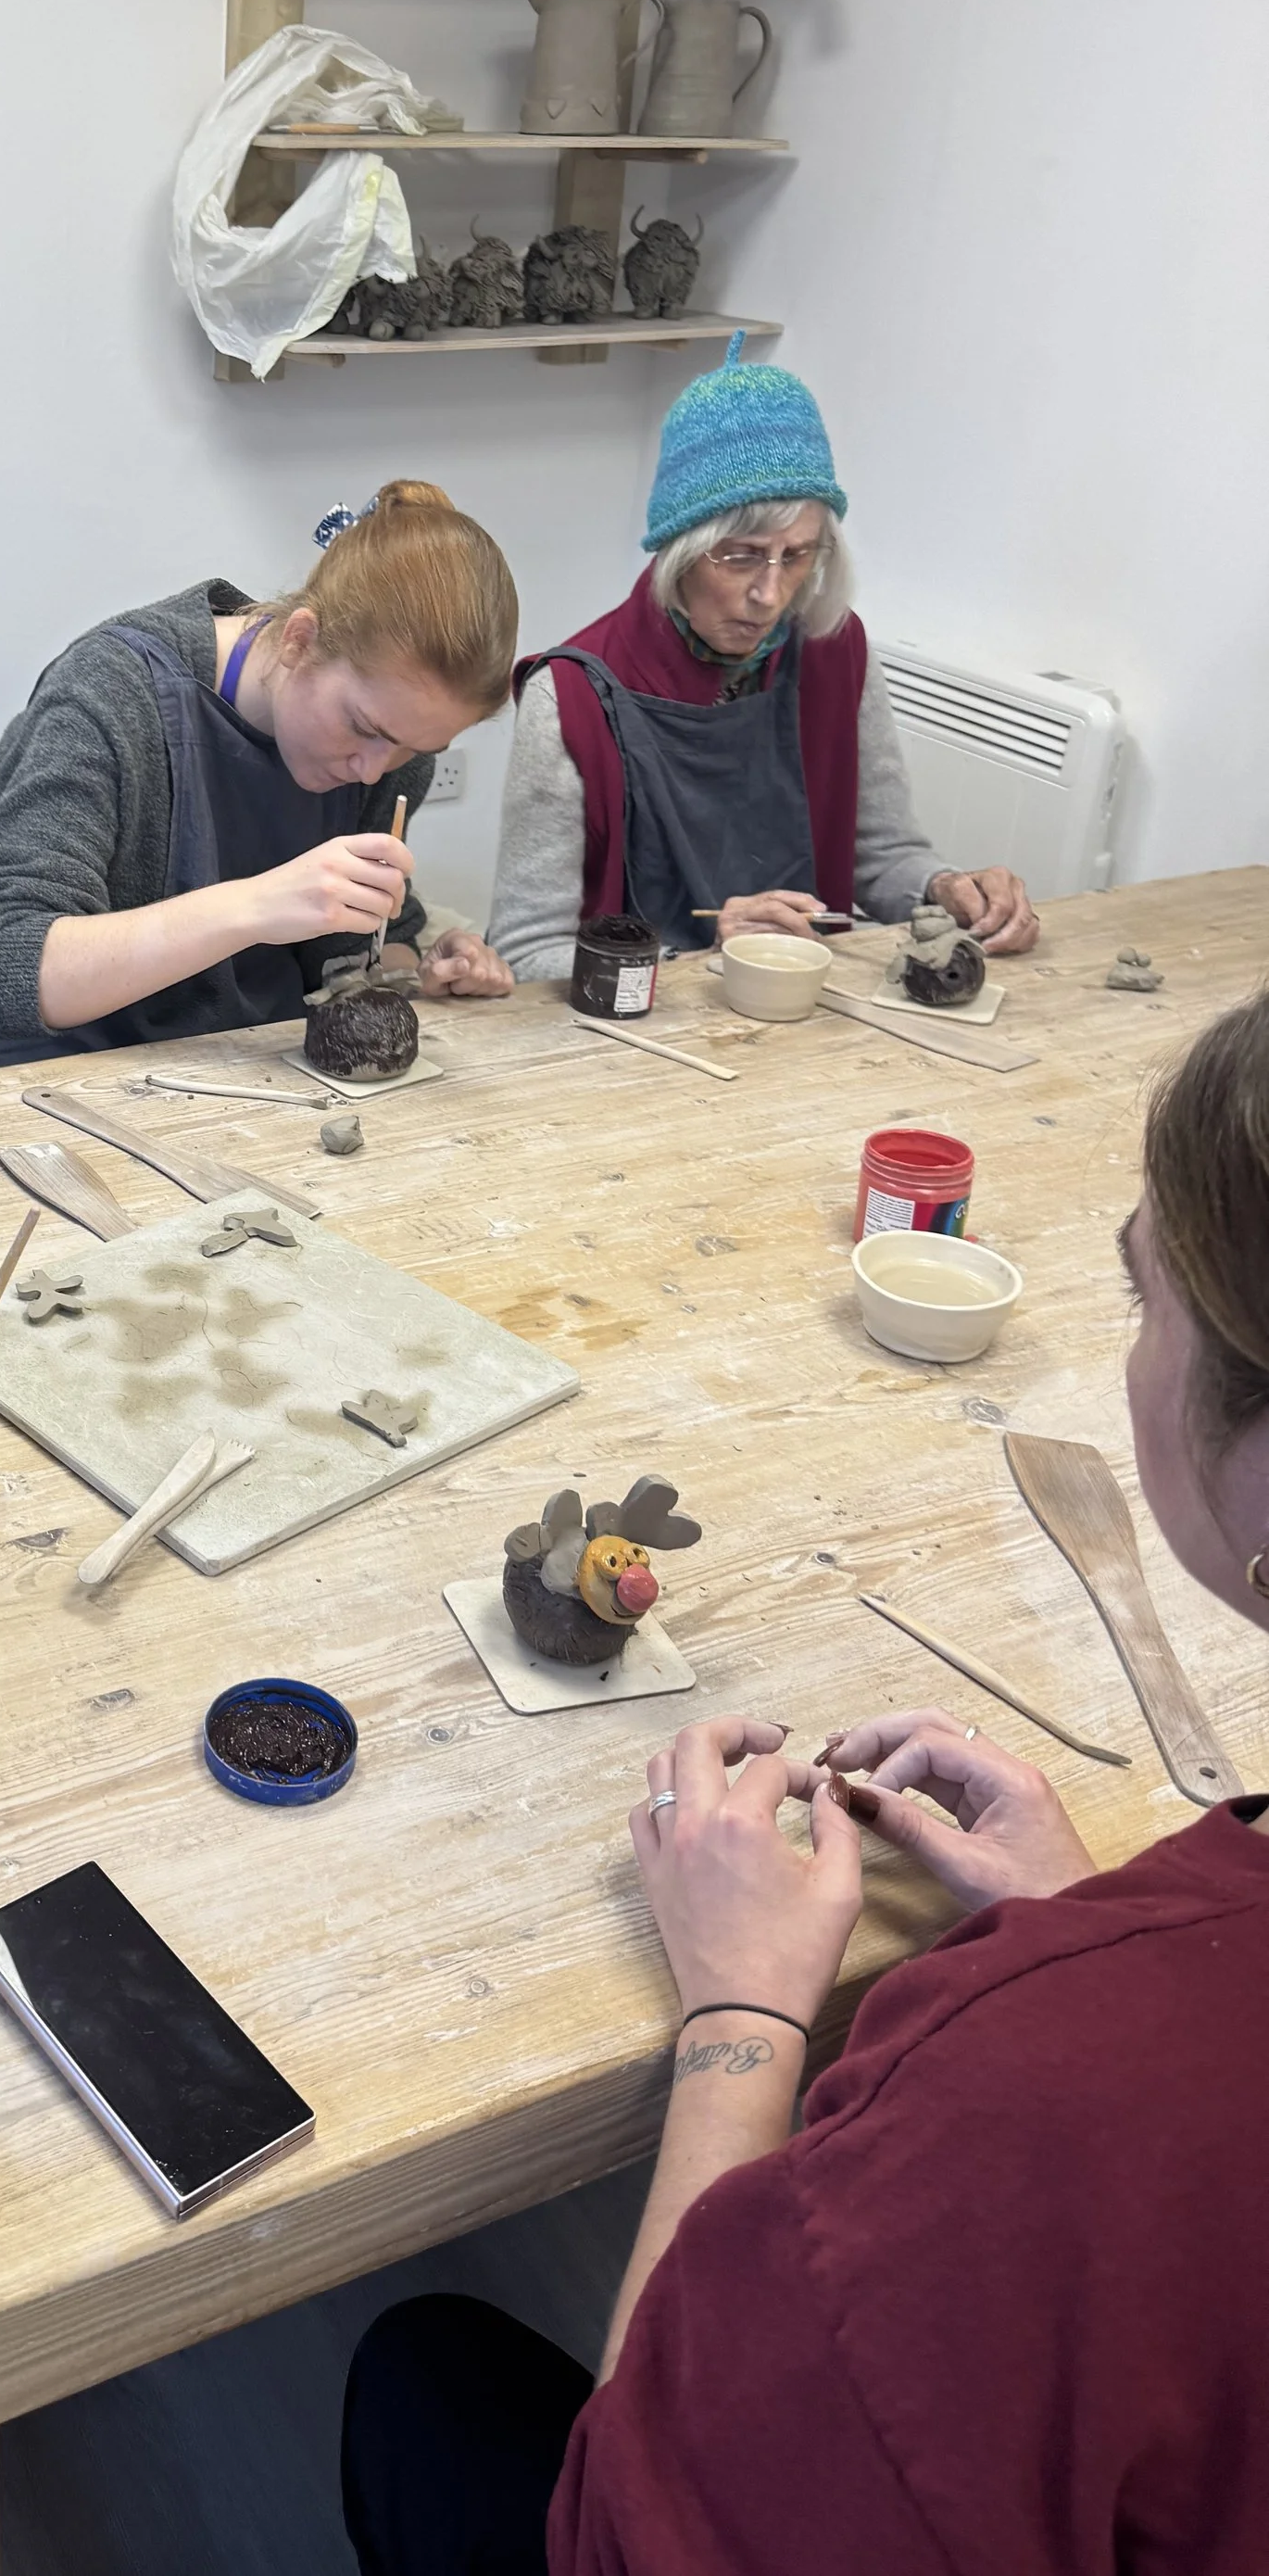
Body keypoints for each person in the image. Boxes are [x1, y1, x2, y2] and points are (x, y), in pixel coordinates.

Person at [340, 989, 1269, 2575]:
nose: (1129, 1357)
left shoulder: (1056, 2116)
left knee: (417, 2377)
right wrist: (1097, 1923)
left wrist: (743, 2020)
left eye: (1141, 1295)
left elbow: (625, 2539)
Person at [489, 339, 1041, 975]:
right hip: (641, 1032)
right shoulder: (573, 699)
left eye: (799, 554)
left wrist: (947, 887)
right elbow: (526, 951)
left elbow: (883, 856)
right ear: (680, 548)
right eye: (742, 555)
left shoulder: (837, 655)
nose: (771, 593)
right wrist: (695, 958)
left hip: (810, 1008)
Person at [0, 483, 521, 1068]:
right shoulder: (110, 694)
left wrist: (421, 971)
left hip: (251, 1078)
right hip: (53, 1088)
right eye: (363, 727)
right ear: (300, 640)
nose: (372, 769)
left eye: (416, 748)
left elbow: (352, 952)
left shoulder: (396, 749)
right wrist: (254, 907)